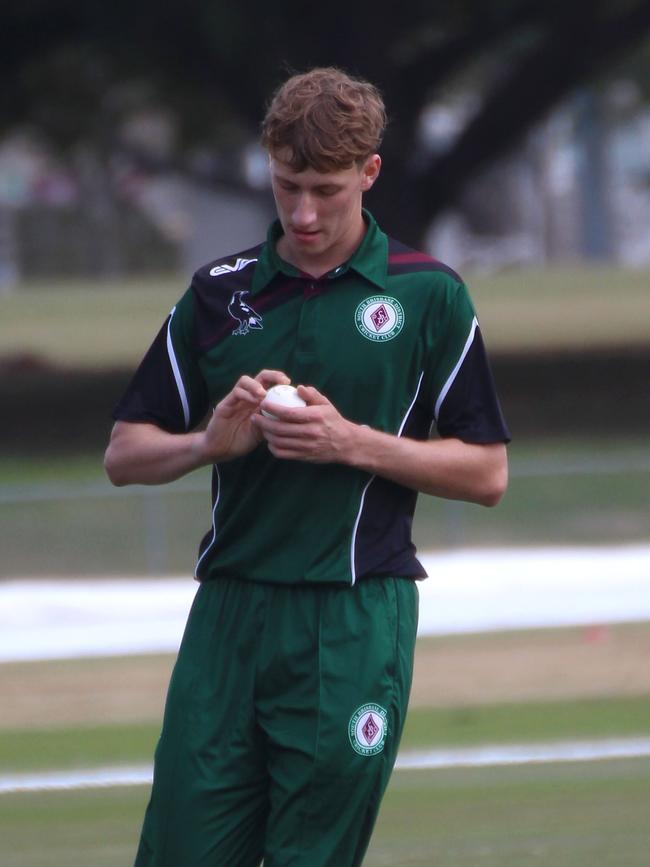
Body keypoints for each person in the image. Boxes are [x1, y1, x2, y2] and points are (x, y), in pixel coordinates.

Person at [105, 66, 510, 867]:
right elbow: (124, 452)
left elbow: (487, 472)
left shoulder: (428, 296)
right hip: (228, 617)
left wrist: (351, 442)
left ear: (370, 173)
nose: (302, 212)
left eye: (325, 189)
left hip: (354, 616)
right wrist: (206, 445)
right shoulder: (218, 295)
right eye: (287, 185)